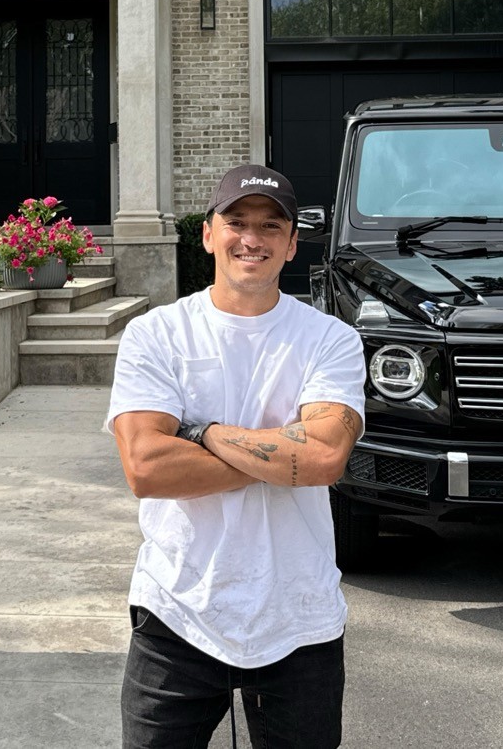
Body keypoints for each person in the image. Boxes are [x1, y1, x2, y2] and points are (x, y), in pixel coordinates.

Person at [107, 164, 366, 749]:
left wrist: (202, 433)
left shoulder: (330, 340)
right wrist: (279, 446)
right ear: (207, 234)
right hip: (177, 609)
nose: (253, 238)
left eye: (271, 226)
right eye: (237, 222)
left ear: (293, 243)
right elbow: (147, 468)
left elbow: (325, 458)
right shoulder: (157, 335)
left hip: (298, 615)